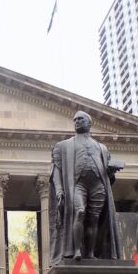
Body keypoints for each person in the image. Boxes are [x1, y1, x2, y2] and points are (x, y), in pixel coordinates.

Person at [49, 111, 121, 264]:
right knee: (80, 211)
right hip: (77, 184)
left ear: (89, 123)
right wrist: (59, 190)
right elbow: (56, 170)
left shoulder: (102, 148)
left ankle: (90, 253)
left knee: (94, 219)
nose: (76, 122)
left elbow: (108, 176)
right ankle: (76, 250)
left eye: (80, 119)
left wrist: (111, 171)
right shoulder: (63, 146)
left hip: (98, 185)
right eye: (75, 120)